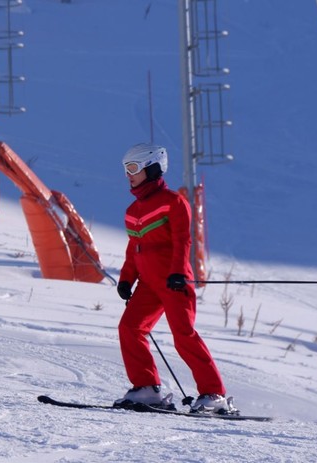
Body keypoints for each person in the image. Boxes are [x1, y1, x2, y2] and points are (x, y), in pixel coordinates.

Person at [114, 143, 237, 415]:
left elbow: (183, 241)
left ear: (152, 167)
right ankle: (146, 389)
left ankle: (213, 394)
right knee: (130, 328)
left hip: (173, 280)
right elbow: (133, 249)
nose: (128, 175)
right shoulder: (132, 211)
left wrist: (179, 273)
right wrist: (126, 279)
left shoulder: (173, 202)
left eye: (133, 168)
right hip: (148, 285)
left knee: (183, 335)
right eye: (126, 169)